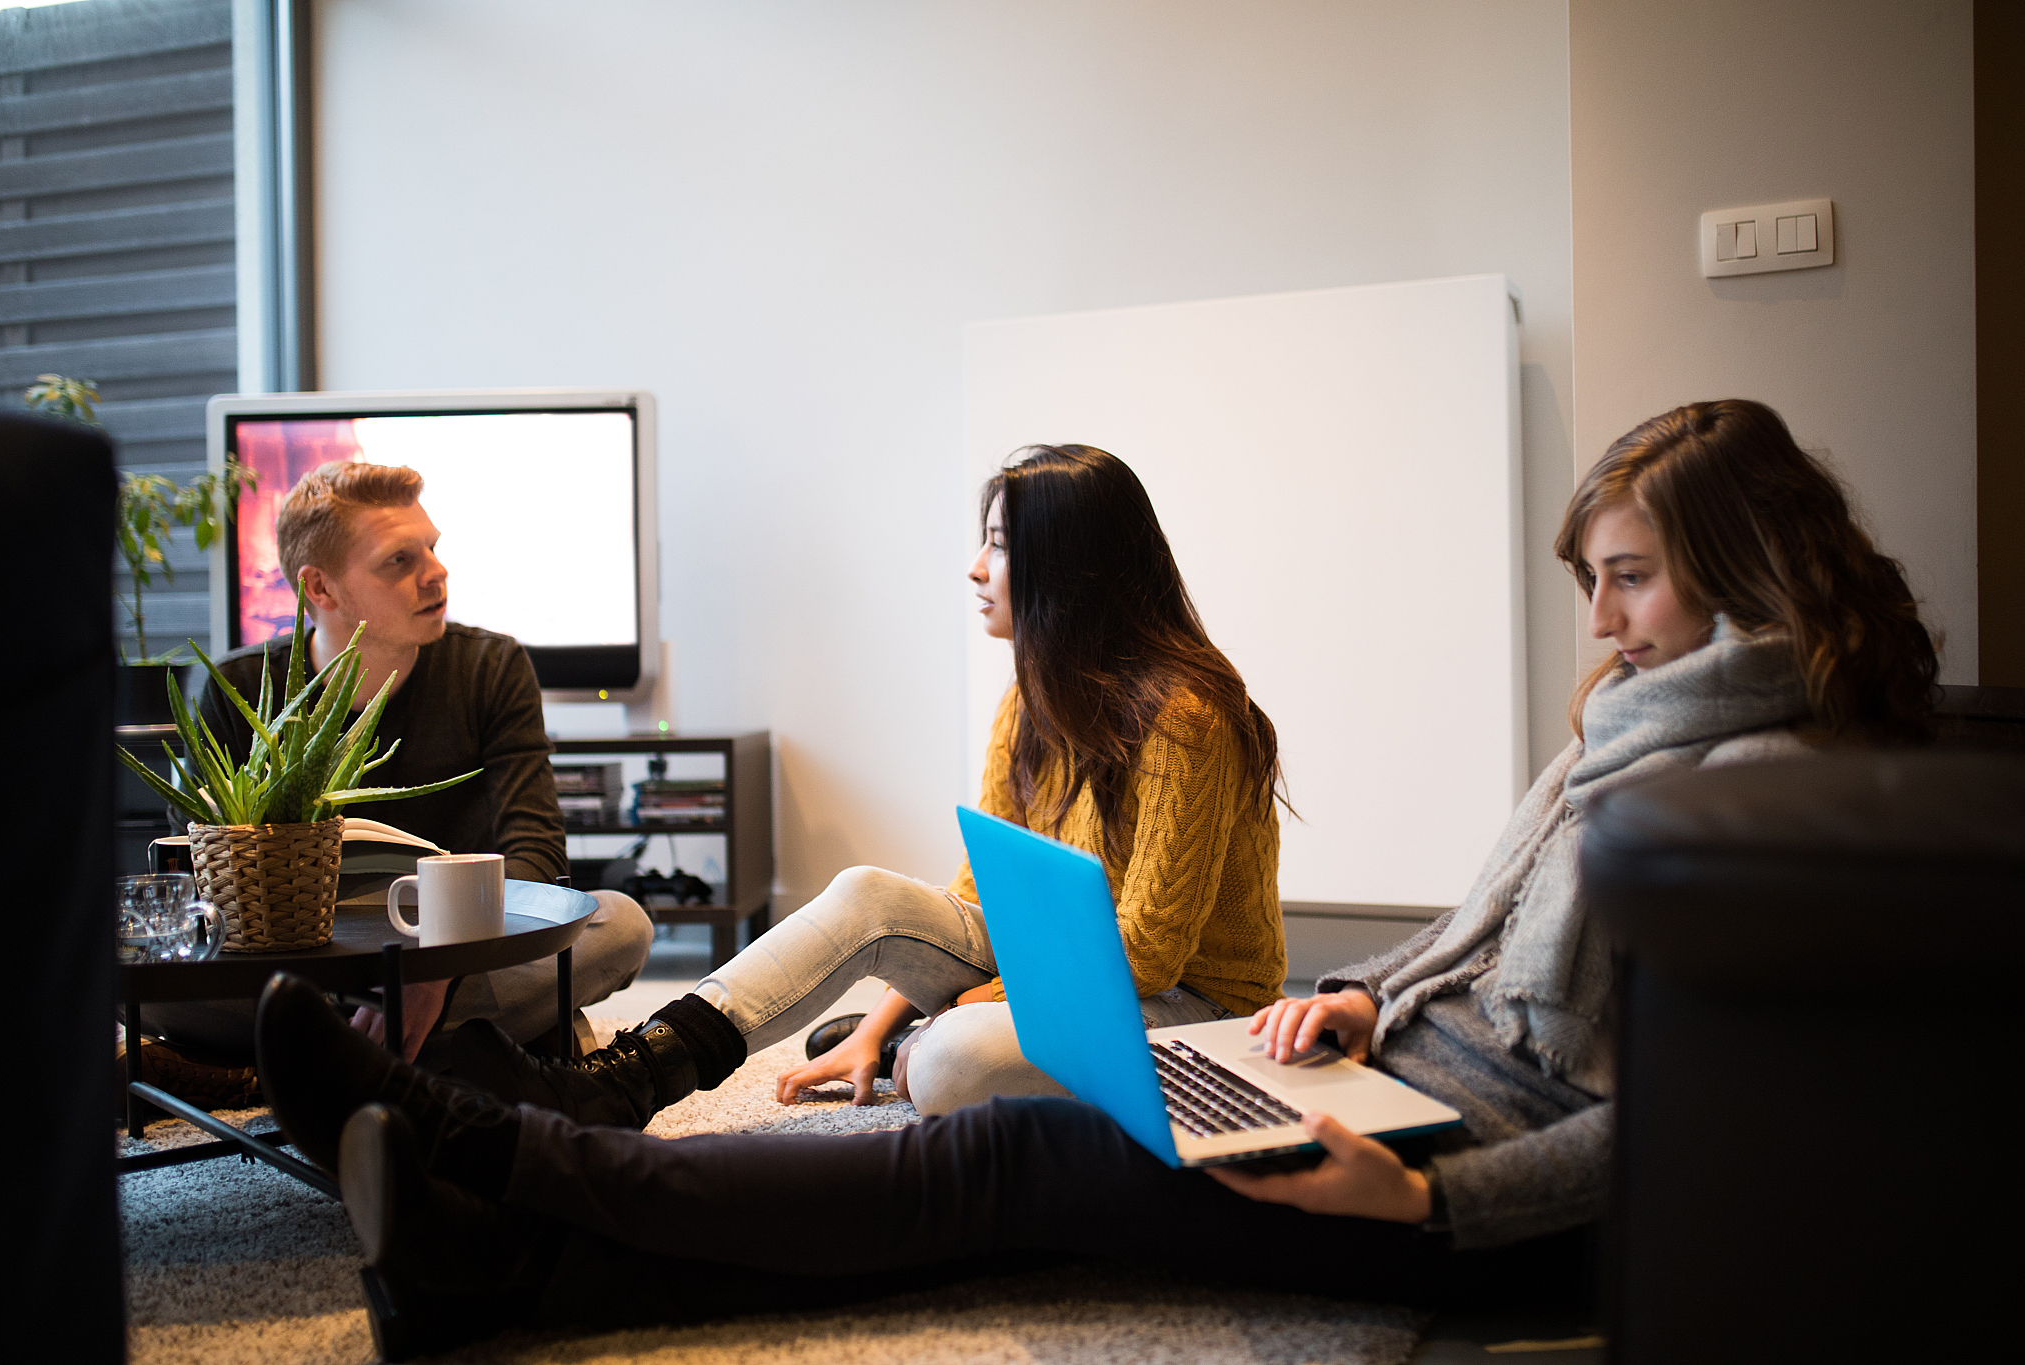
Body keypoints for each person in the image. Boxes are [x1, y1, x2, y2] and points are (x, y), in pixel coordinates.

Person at [254, 399, 1938, 1358]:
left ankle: (503, 1151)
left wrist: (1426, 1201)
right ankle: (499, 1262)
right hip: (1390, 1080)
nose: (1595, 624)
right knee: (981, 1166)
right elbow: (1474, 937)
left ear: (1746, 566)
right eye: (1593, 579)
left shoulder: (1779, 799)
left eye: (1627, 580)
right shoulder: (1625, 744)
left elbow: (1700, 1124)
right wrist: (1365, 994)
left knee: (991, 1168)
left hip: (1460, 1196)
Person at [439, 444, 1289, 1127]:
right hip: (1055, 959)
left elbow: (1148, 949)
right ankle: (629, 1075)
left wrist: (965, 1004)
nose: (975, 567)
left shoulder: (1189, 716)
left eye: (998, 543)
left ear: (1069, 569)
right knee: (867, 894)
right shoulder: (1029, 700)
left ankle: (924, 1040)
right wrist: (887, 1021)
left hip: (1190, 1002)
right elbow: (974, 895)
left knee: (949, 1064)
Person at [137, 461, 653, 1078]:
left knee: (621, 923)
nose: (436, 573)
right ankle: (469, 1051)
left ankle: (271, 1066)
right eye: (399, 561)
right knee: (133, 970)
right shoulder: (237, 687)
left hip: (463, 946)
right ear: (320, 589)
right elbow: (193, 868)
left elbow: (537, 855)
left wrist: (437, 969)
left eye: (431, 549)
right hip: (303, 957)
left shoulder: (492, 667)